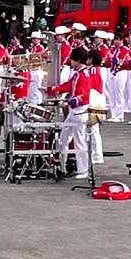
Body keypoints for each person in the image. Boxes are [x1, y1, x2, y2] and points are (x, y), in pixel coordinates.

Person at [46, 47, 92, 179]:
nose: (70, 61)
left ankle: (84, 170)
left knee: (79, 141)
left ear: (78, 60)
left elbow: (83, 96)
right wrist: (51, 90)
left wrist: (68, 102)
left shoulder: (84, 75)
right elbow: (68, 86)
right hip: (74, 113)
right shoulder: (78, 74)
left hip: (79, 112)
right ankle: (62, 166)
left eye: (72, 59)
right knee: (63, 139)